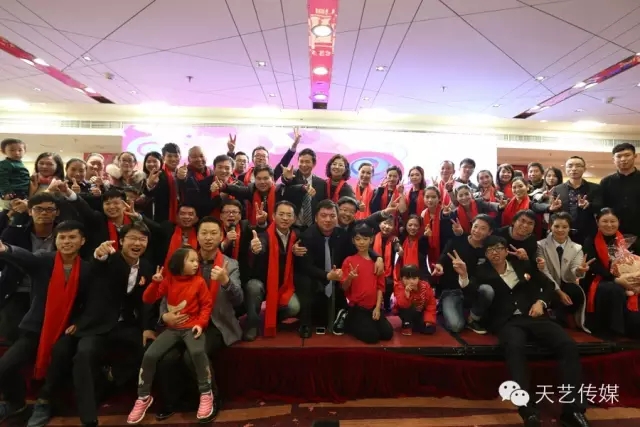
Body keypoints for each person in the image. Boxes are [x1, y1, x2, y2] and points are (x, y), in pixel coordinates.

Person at [27, 223, 157, 427]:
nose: (137, 243)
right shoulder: (109, 259)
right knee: (82, 353)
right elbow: (96, 267)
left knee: (149, 349)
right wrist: (99, 255)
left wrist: (147, 327)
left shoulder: (147, 267)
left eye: (142, 239)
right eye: (132, 238)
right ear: (121, 241)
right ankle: (87, 417)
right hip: (97, 323)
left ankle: (110, 380)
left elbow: (146, 301)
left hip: (125, 324)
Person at [475, 235, 588, 427]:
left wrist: (541, 302)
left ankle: (573, 410)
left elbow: (547, 285)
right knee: (514, 348)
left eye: (499, 248)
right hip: (507, 321)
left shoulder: (521, 265)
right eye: (490, 250)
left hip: (534, 315)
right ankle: (528, 411)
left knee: (567, 344)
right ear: (485, 254)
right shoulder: (480, 272)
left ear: (506, 251)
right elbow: (472, 294)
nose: (495, 253)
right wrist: (463, 276)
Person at [0, 221, 92, 425]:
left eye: (72, 237)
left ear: (82, 241)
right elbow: (26, 258)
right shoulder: (44, 260)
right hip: (37, 327)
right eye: (62, 237)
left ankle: (44, 402)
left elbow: (90, 302)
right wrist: (6, 249)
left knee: (60, 354)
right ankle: (15, 403)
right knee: (5, 366)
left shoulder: (87, 270)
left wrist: (79, 323)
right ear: (56, 241)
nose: (66, 241)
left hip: (67, 330)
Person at [154, 217, 243, 421]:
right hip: (182, 321)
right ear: (197, 236)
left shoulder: (230, 264)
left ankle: (213, 398)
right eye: (204, 233)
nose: (208, 238)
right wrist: (164, 315)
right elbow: (166, 294)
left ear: (221, 237)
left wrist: (226, 282)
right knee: (166, 358)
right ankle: (172, 401)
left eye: (213, 233)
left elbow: (239, 300)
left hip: (215, 323)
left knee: (192, 355)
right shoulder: (183, 260)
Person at [127, 247, 214, 424]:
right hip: (173, 330)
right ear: (179, 263)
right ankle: (143, 397)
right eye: (192, 260)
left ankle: (206, 393)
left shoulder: (199, 282)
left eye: (197, 261)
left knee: (197, 352)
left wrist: (200, 324)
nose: (196, 264)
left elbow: (206, 305)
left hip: (192, 328)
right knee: (150, 355)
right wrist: (154, 283)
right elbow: (148, 299)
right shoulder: (168, 281)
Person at [340, 223, 393, 344]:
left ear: (371, 240)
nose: (361, 242)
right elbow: (343, 287)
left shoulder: (377, 263)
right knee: (372, 337)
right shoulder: (349, 261)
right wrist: (349, 278)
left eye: (365, 239)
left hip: (373, 307)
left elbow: (380, 287)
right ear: (353, 241)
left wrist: (378, 308)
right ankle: (350, 321)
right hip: (358, 308)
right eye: (358, 239)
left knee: (387, 334)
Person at [536, 213, 590, 331]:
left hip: (566, 283)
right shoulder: (540, 245)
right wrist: (559, 291)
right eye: (556, 226)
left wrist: (579, 270)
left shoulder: (577, 248)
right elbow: (544, 271)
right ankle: (552, 315)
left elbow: (575, 269)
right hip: (547, 283)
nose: (560, 230)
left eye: (565, 227)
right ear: (550, 226)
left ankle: (563, 315)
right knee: (550, 291)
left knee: (575, 291)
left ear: (569, 228)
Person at [393, 264, 436, 335]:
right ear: (401, 279)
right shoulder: (399, 287)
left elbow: (431, 304)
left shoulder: (425, 286)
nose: (411, 281)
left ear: (419, 278)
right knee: (406, 309)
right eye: (407, 278)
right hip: (406, 311)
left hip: (420, 311)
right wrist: (406, 293)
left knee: (430, 330)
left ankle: (416, 324)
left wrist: (429, 320)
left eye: (414, 278)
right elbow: (402, 305)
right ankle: (407, 325)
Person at [0, 138, 30, 205]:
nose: (16, 153)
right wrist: (6, 192)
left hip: (23, 192)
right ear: (3, 151)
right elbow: (2, 179)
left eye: (20, 150)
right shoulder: (4, 164)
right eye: (12, 150)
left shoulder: (19, 163)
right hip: (14, 193)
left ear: (25, 151)